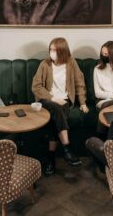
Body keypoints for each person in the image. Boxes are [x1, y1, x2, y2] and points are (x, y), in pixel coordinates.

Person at [32, 37, 89, 175]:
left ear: (63, 51)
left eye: (55, 50)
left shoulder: (71, 63)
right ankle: (67, 149)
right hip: (47, 100)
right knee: (56, 109)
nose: (52, 53)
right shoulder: (44, 64)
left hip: (65, 101)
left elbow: (79, 83)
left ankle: (51, 159)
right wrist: (52, 98)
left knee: (55, 117)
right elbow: (36, 86)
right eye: (50, 50)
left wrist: (82, 103)